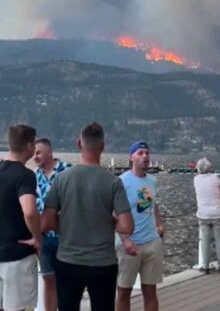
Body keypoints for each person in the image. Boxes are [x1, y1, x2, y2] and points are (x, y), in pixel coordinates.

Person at [43, 122, 133, 311]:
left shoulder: (62, 179)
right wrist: (113, 221)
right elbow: (127, 227)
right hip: (103, 263)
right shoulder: (113, 182)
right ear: (103, 146)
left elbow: (47, 222)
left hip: (68, 261)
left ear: (79, 144)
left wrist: (64, 223)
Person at [116, 142, 165, 311]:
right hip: (130, 244)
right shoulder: (121, 181)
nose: (145, 156)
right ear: (132, 157)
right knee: (123, 291)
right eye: (141, 153)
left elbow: (153, 204)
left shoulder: (152, 180)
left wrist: (159, 224)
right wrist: (124, 239)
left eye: (147, 153)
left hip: (152, 242)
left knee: (150, 291)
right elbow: (113, 213)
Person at [0, 125, 40, 311]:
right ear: (30, 146)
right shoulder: (25, 176)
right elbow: (30, 211)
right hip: (18, 256)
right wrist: (37, 237)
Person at [33, 138, 72, 311]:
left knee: (67, 280)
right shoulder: (34, 176)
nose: (35, 156)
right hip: (43, 236)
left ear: (49, 152)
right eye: (33, 153)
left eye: (38, 152)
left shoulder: (68, 171)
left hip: (65, 236)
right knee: (48, 278)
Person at [193, 157, 220, 274]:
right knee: (219, 239)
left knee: (204, 240)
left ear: (199, 169)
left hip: (203, 214)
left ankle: (205, 266)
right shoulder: (215, 178)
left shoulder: (196, 179)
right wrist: (217, 200)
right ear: (209, 168)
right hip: (217, 212)